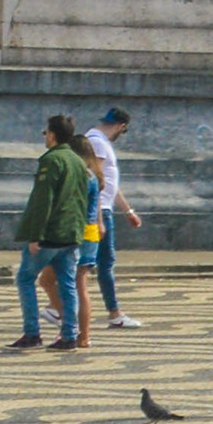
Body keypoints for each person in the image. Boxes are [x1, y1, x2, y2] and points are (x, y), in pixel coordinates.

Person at [9, 112, 93, 352]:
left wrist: (35, 235)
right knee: (67, 284)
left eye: (46, 132)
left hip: (50, 234)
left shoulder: (51, 160)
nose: (45, 137)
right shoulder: (78, 161)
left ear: (53, 135)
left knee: (25, 278)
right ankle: (69, 335)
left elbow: (42, 200)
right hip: (71, 234)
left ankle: (32, 332)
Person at [82, 107, 145, 329]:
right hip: (99, 212)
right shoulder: (97, 143)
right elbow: (96, 181)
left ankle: (57, 305)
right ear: (121, 126)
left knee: (89, 262)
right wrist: (98, 217)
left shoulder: (96, 140)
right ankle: (114, 313)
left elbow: (110, 185)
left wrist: (127, 211)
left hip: (103, 209)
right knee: (101, 263)